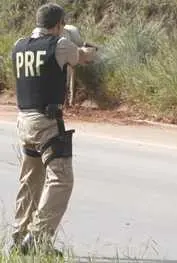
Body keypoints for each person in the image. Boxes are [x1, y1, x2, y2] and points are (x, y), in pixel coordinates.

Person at [10, 2, 96, 256]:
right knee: (61, 179)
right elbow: (80, 57)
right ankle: (38, 238)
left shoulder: (18, 45)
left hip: (23, 121)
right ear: (58, 24)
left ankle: (18, 236)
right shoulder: (59, 45)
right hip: (46, 122)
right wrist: (90, 50)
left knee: (31, 180)